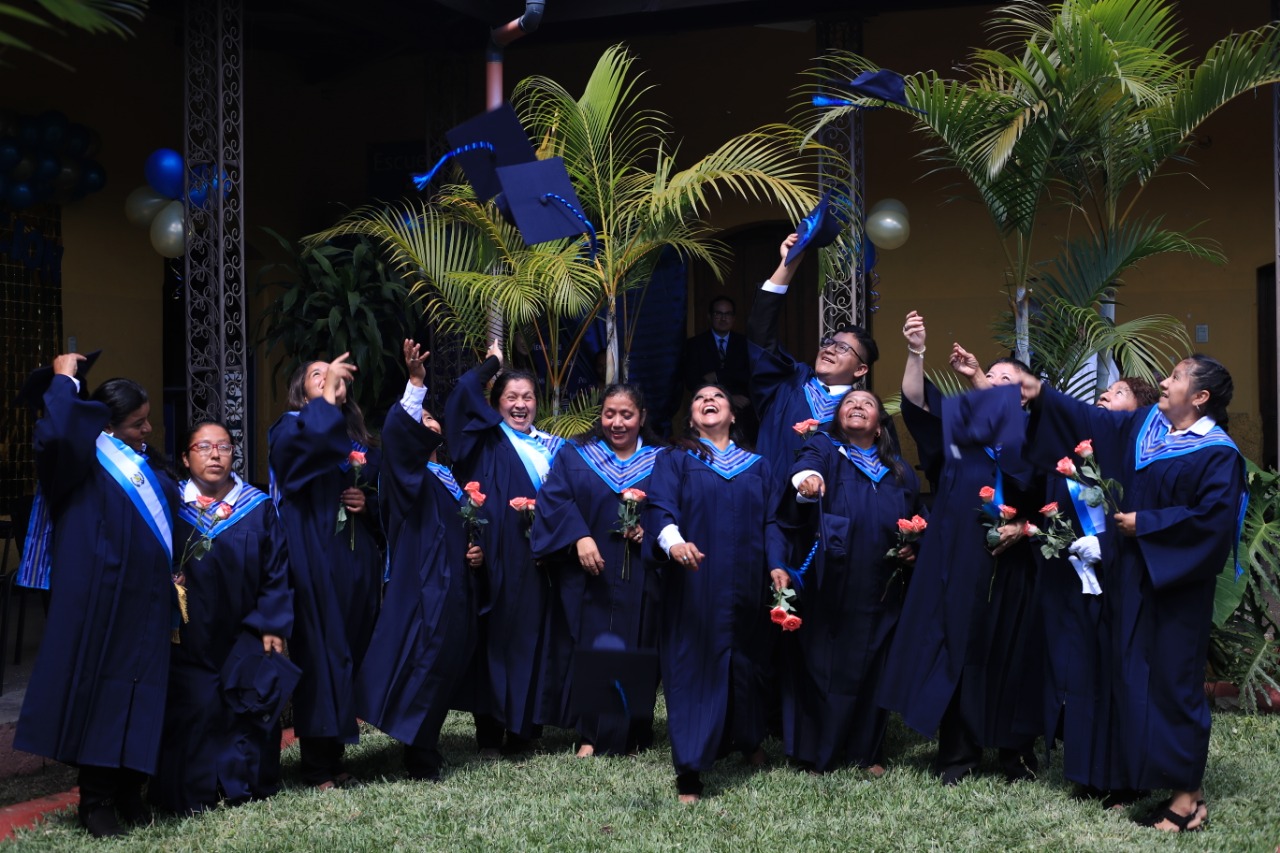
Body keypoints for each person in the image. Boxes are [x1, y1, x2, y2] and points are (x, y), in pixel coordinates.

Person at [1022, 355, 1246, 832]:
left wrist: (1148, 523)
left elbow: (1213, 522)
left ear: (1200, 397)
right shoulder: (1147, 428)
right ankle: (1145, 778)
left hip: (1175, 588)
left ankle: (1189, 799)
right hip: (1130, 579)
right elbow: (1094, 421)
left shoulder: (1217, 452)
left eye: (1177, 378)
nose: (1164, 383)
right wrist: (1041, 394)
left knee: (1173, 686)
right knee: (1131, 679)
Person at [14, 358, 178, 837]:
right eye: (137, 422)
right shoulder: (75, 460)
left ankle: (130, 790)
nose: (148, 429)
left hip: (146, 600)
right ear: (105, 425)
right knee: (106, 694)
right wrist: (64, 379)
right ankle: (96, 799)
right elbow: (61, 431)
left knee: (142, 692)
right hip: (101, 600)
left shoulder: (144, 465)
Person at [879, 312, 1044, 785]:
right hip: (960, 562)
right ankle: (959, 754)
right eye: (989, 376)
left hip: (1014, 565)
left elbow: (1044, 493)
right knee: (958, 649)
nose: (992, 382)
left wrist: (1026, 528)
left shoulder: (1034, 439)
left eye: (1005, 380)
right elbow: (915, 406)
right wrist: (915, 352)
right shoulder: (960, 441)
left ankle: (1017, 755)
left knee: (1012, 652)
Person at [645, 384, 786, 802]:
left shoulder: (757, 466)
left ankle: (746, 738)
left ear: (733, 415)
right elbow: (660, 509)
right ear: (690, 418)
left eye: (719, 397)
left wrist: (777, 563)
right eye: (700, 398)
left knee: (746, 664)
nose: (709, 400)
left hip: (747, 583)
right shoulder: (675, 459)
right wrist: (674, 543)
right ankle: (689, 768)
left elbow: (772, 522)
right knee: (694, 668)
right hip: (695, 581)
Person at [150, 421, 294, 814]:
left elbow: (276, 571)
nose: (215, 455)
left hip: (244, 629)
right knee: (191, 706)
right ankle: (187, 792)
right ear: (185, 457)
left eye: (224, 447)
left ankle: (243, 786)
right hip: (186, 633)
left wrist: (272, 623)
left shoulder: (257, 506)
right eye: (204, 447)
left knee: (243, 703)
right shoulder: (169, 504)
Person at [356, 341, 482, 781]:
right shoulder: (401, 473)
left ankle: (423, 740)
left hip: (455, 585)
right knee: (425, 660)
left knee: (443, 662)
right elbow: (397, 433)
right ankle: (419, 751)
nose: (427, 422)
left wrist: (475, 547)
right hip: (424, 583)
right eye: (421, 418)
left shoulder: (448, 476)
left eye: (431, 418)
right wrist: (415, 385)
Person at [780, 390, 925, 774]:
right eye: (849, 403)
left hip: (882, 586)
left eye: (867, 404)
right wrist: (807, 480)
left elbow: (919, 519)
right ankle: (817, 753)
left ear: (879, 426)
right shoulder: (826, 451)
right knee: (823, 665)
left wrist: (915, 549)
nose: (857, 406)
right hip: (834, 582)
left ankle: (868, 751)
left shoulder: (899, 471)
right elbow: (804, 468)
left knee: (874, 664)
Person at [268, 353, 383, 789]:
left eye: (334, 374)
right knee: (320, 655)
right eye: (318, 375)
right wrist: (326, 400)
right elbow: (307, 456)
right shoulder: (288, 428)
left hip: (352, 560)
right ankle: (315, 764)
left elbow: (384, 495)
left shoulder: (356, 439)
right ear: (302, 390)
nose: (329, 379)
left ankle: (334, 756)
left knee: (346, 651)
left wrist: (366, 503)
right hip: (311, 556)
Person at [445, 341, 565, 757]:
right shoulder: (484, 440)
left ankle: (523, 729)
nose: (520, 404)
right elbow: (462, 391)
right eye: (510, 397)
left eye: (527, 397)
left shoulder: (553, 449)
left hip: (535, 559)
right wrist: (493, 362)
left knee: (530, 639)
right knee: (490, 639)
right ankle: (490, 725)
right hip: (489, 558)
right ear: (495, 404)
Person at [532, 383, 664, 757]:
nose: (617, 422)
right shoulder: (577, 456)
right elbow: (554, 500)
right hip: (590, 573)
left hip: (640, 570)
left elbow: (674, 510)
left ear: (642, 418)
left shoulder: (662, 460)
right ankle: (591, 733)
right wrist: (578, 537)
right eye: (609, 414)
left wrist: (648, 533)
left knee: (637, 643)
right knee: (592, 645)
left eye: (626, 415)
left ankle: (633, 730)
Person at [745, 234, 881, 479]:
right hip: (775, 510)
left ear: (860, 369)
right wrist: (787, 266)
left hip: (835, 514)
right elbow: (761, 332)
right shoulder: (786, 384)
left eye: (842, 348)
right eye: (829, 342)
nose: (828, 349)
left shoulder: (863, 411)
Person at [682, 295, 756, 441]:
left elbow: (750, 375)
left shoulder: (745, 344)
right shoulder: (695, 345)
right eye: (718, 314)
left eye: (728, 314)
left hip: (742, 414)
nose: (723, 318)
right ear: (710, 316)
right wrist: (728, 399)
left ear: (734, 318)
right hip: (706, 411)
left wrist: (718, 376)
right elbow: (692, 381)